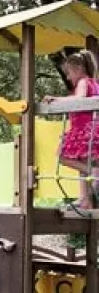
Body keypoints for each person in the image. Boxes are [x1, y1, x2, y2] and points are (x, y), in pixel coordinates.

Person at [43, 50, 99, 209]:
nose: (67, 77)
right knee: (82, 164)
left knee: (63, 157)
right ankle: (85, 199)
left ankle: (94, 172)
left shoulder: (83, 82)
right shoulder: (94, 83)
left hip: (84, 129)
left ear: (79, 69)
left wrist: (57, 100)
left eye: (69, 73)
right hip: (91, 128)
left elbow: (79, 99)